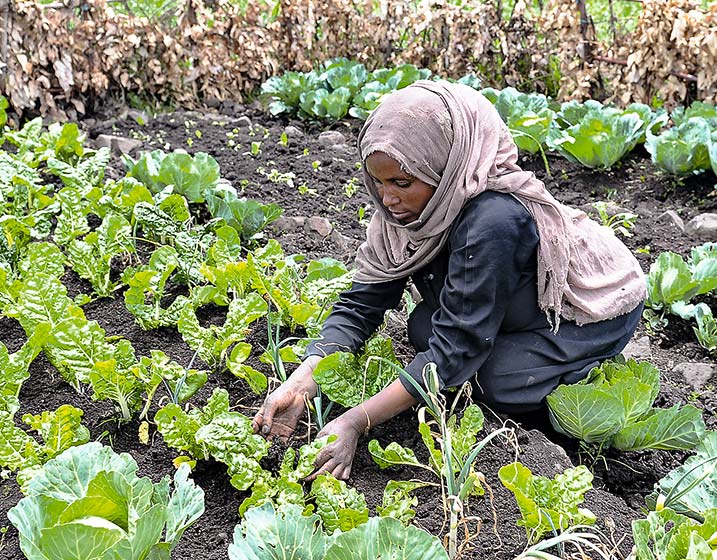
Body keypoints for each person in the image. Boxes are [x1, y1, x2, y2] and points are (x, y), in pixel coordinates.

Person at [252, 80, 646, 480]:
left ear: (445, 166)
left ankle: (584, 368)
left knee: (497, 382)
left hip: (587, 309)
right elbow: (362, 304)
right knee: (424, 327)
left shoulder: (494, 219)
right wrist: (304, 379)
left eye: (402, 183)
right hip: (505, 298)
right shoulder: (408, 215)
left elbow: (456, 348)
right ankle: (512, 344)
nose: (387, 199)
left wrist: (356, 421)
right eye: (378, 182)